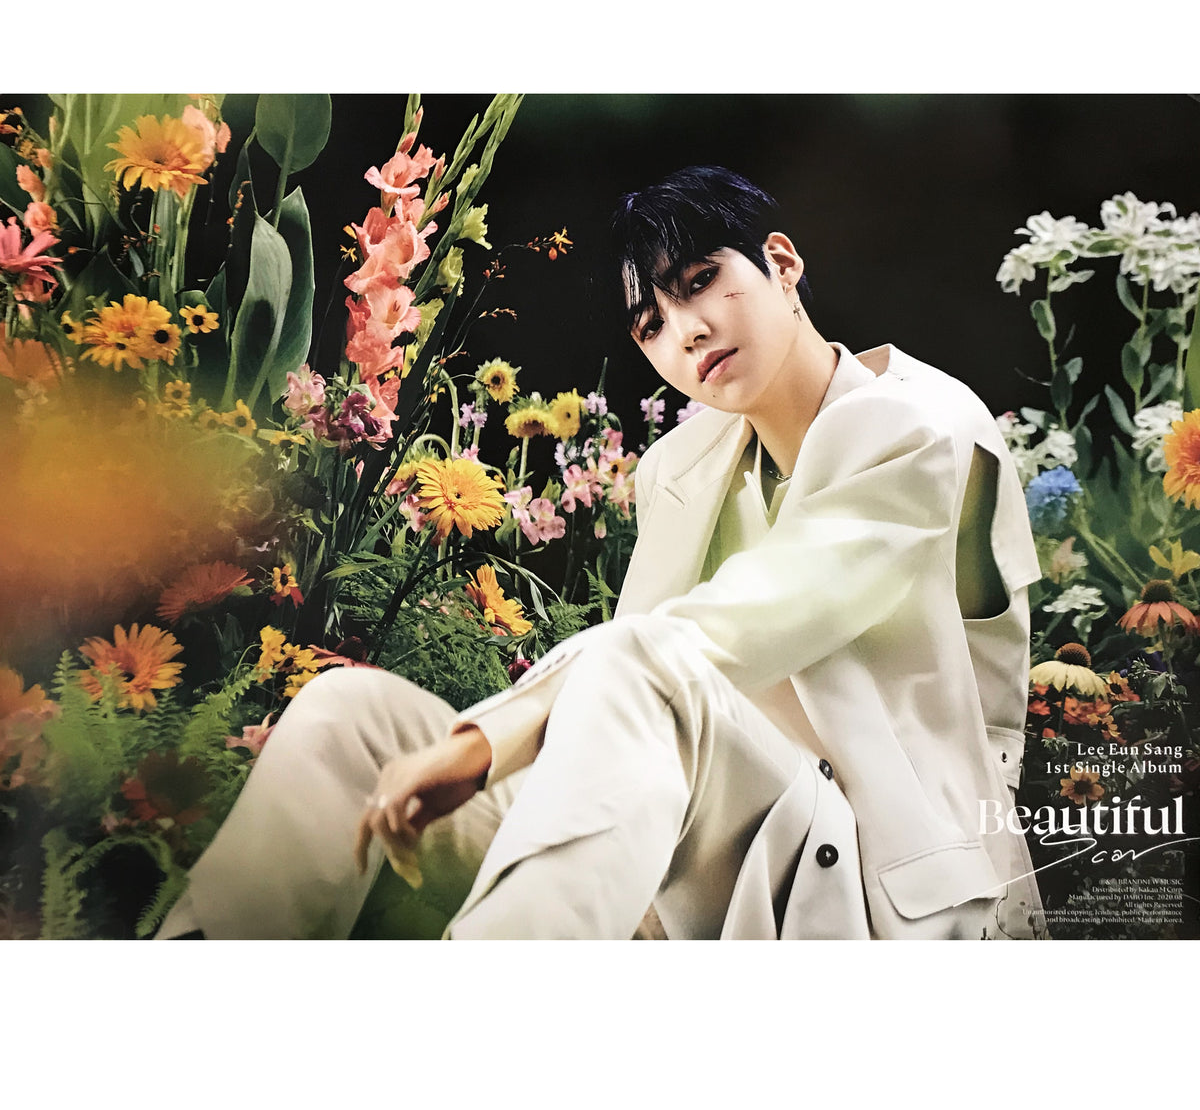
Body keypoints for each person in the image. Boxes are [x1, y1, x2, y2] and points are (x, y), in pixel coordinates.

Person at [159, 165, 1047, 941]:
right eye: (651, 323)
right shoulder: (681, 468)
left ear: (781, 263)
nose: (686, 330)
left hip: (873, 875)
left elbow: (739, 624)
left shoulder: (920, 426)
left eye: (702, 282)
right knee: (350, 717)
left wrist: (491, 736)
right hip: (687, 849)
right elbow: (630, 707)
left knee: (631, 661)